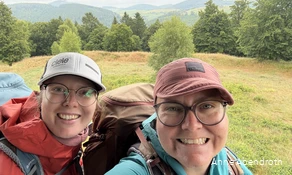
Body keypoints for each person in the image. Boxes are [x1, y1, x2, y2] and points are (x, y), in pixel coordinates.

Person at [105, 58, 252, 175]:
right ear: (156, 117)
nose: (192, 126)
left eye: (207, 106)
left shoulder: (227, 161)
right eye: (173, 108)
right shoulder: (135, 170)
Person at [0, 52, 106, 175]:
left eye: (85, 92)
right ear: (40, 95)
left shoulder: (77, 149)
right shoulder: (5, 164)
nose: (71, 102)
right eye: (58, 89)